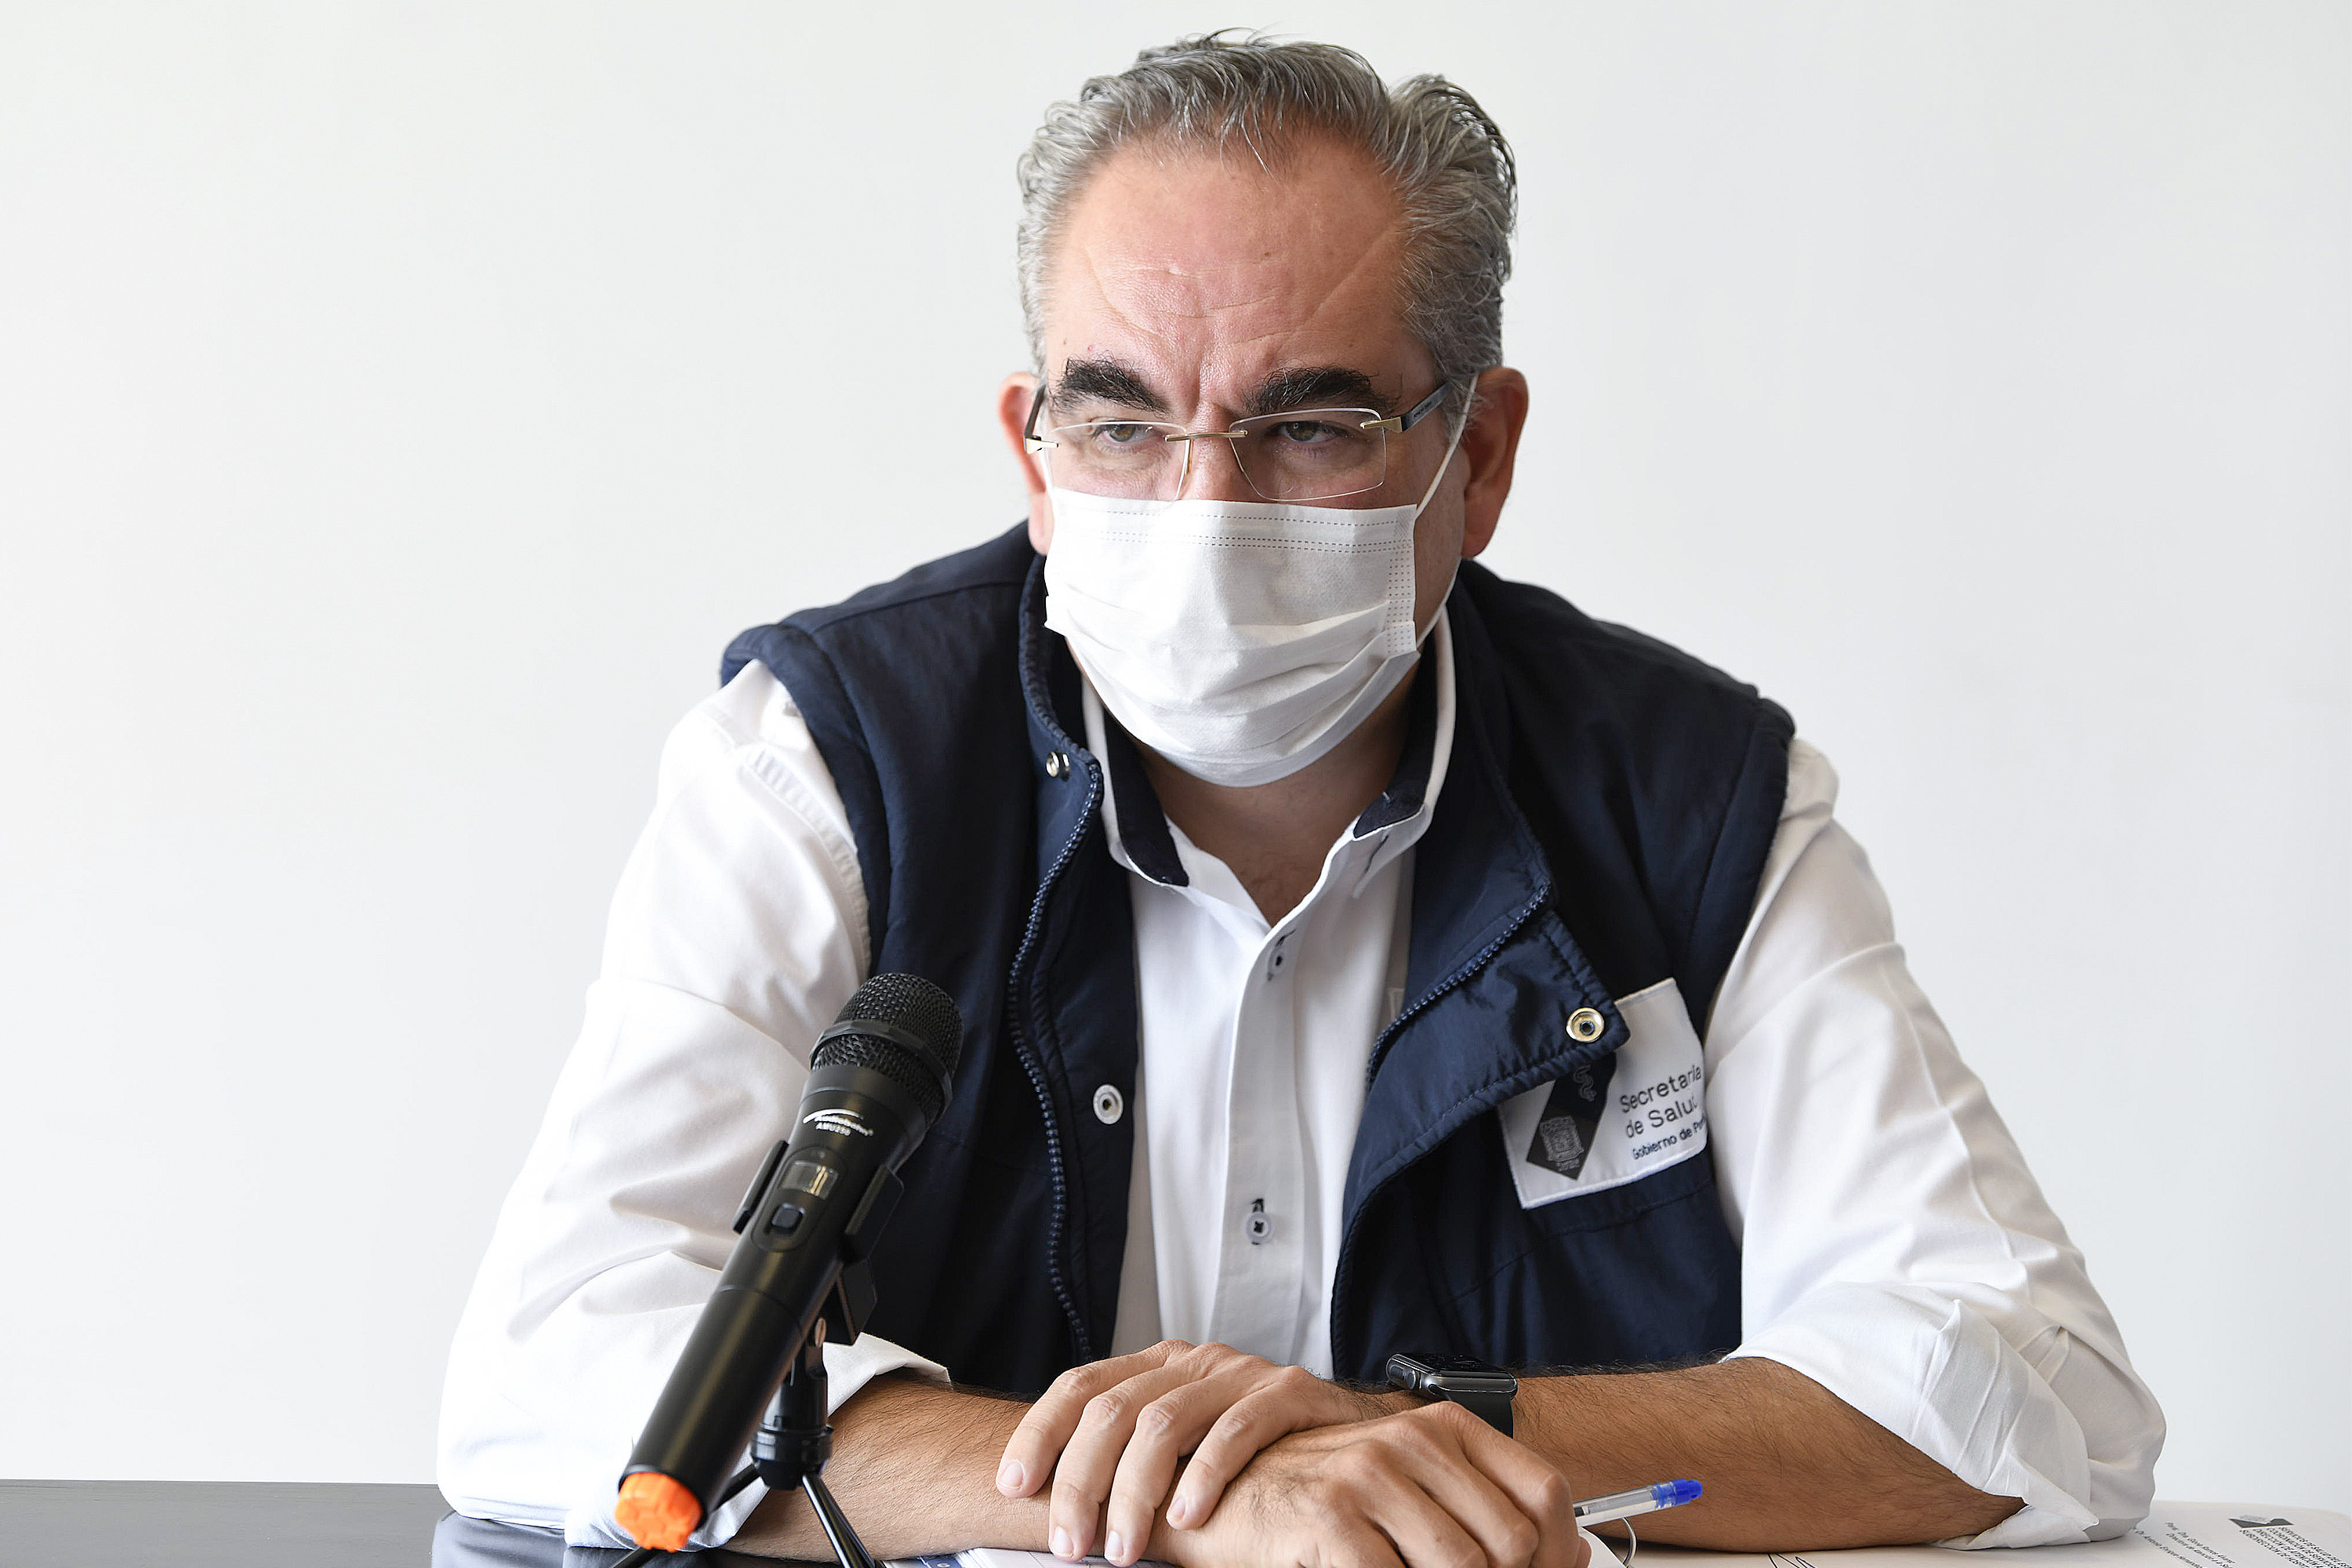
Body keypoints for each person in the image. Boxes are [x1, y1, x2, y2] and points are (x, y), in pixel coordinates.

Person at [437, 34, 2163, 1568]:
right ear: (1033, 453)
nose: (1205, 514)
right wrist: (1182, 1495)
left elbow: (2033, 1390)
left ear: (1477, 457)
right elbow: (553, 1363)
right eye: (1121, 424)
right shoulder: (834, 758)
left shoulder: (1692, 799)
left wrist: (1409, 1445)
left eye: (1313, 425)